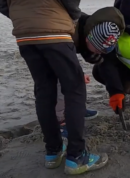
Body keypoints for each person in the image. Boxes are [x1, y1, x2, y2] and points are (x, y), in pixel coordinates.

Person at [0, 0, 109, 175]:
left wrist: (21, 17)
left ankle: (53, 152)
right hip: (55, 30)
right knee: (75, 90)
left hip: (25, 35)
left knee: (44, 92)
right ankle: (77, 156)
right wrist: (73, 16)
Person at [56, 7, 126, 138]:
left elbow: (107, 63)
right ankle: (61, 121)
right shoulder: (71, 29)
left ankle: (78, 109)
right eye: (98, 50)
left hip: (70, 48)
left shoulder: (96, 29)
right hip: (52, 44)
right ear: (88, 39)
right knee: (60, 81)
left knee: (77, 77)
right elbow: (63, 59)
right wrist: (76, 71)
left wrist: (116, 92)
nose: (99, 54)